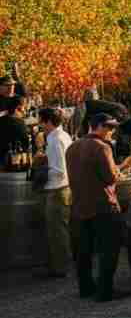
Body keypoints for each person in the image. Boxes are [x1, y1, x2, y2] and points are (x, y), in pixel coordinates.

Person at [66, 112, 131, 302]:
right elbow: (111, 177)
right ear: (99, 126)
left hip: (79, 205)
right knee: (109, 249)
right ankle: (105, 290)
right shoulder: (102, 147)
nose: (112, 132)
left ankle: (86, 287)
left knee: (83, 251)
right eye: (110, 127)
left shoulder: (72, 147)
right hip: (103, 206)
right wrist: (124, 165)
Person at [37, 107, 72, 279]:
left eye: (41, 121)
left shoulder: (55, 140)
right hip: (64, 187)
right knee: (61, 229)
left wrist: (40, 173)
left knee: (57, 231)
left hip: (58, 188)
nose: (39, 124)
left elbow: (59, 170)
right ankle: (61, 264)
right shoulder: (63, 135)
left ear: (48, 121)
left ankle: (59, 268)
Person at [0, 75, 30, 161]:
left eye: (12, 85)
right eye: (7, 85)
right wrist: (6, 112)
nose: (11, 87)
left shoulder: (18, 98)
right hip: (3, 139)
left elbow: (20, 112)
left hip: (19, 136)